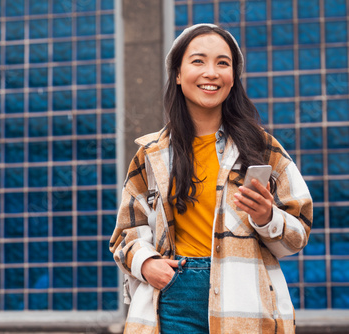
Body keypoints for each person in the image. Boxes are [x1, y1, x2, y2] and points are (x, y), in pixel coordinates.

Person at [110, 23, 313, 334]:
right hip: (172, 300)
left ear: (233, 78)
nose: (211, 72)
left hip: (246, 304)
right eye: (198, 61)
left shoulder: (263, 149)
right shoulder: (151, 155)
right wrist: (147, 265)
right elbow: (126, 234)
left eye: (223, 63)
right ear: (177, 74)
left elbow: (297, 235)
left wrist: (267, 217)